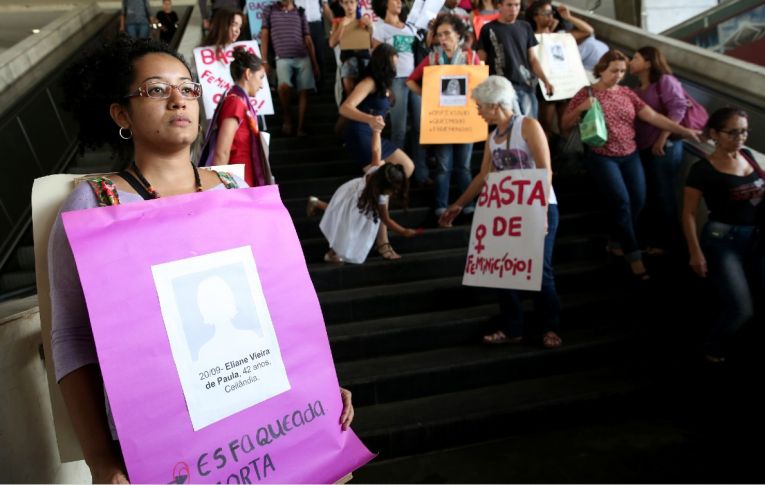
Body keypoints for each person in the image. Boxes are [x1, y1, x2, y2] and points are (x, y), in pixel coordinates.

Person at [51, 35, 354, 483]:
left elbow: (275, 305)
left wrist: (319, 384)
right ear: (121, 114)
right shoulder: (95, 205)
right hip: (165, 445)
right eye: (156, 90)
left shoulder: (236, 194)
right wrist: (100, 459)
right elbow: (72, 337)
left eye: (188, 88)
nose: (178, 100)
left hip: (263, 425)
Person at [439, 75, 562, 349]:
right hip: (508, 212)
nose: (478, 111)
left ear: (495, 105)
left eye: (480, 106)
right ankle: (513, 326)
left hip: (538, 207)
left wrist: (541, 211)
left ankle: (549, 326)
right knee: (503, 270)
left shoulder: (528, 126)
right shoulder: (493, 138)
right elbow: (484, 175)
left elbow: (545, 170)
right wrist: (458, 204)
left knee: (541, 271)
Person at [561, 50, 700, 280]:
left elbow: (653, 117)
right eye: (613, 70)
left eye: (623, 71)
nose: (618, 75)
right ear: (601, 69)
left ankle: (617, 241)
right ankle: (634, 257)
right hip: (602, 156)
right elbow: (564, 125)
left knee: (638, 199)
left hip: (630, 154)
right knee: (622, 202)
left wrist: (684, 131)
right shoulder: (586, 93)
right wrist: (580, 108)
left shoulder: (627, 93)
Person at [682, 108, 764, 363]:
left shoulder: (748, 156)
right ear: (715, 134)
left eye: (744, 131)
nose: (740, 137)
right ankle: (712, 346)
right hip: (723, 241)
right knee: (741, 307)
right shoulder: (702, 169)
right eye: (733, 132)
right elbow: (689, 214)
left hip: (756, 238)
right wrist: (695, 252)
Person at [407, 14, 480, 218]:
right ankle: (441, 205)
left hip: (465, 119)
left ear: (458, 35)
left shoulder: (471, 57)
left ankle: (468, 205)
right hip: (442, 120)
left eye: (447, 33)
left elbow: (481, 84)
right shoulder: (432, 58)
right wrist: (427, 95)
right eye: (439, 35)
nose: (443, 38)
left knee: (463, 166)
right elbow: (411, 81)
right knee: (443, 166)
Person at [310, 130, 419, 263]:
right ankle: (333, 253)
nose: (394, 193)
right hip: (354, 201)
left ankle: (316, 203)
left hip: (352, 196)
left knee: (339, 213)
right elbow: (386, 219)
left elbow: (376, 149)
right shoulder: (381, 198)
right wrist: (403, 231)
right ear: (384, 187)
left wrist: (376, 132)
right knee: (348, 228)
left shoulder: (376, 170)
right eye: (393, 190)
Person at [629, 46, 689, 256]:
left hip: (665, 147)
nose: (631, 62)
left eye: (635, 58)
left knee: (665, 195)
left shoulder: (665, 82)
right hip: (645, 148)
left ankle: (672, 245)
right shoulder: (637, 89)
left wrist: (662, 138)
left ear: (648, 62)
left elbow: (678, 109)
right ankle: (656, 242)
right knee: (653, 195)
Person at [371, 0, 429, 185]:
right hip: (394, 81)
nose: (400, 3)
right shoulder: (380, 28)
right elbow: (377, 60)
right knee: (399, 130)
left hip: (414, 80)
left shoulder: (410, 27)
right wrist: (385, 85)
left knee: (420, 128)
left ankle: (420, 172)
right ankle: (397, 176)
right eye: (395, 0)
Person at [340, 44, 415, 178]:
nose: (394, 69)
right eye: (392, 65)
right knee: (385, 176)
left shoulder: (383, 83)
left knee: (405, 167)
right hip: (361, 133)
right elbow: (345, 108)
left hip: (374, 135)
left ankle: (383, 198)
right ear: (383, 64)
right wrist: (370, 118)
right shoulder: (369, 82)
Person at [526, 1, 594, 138]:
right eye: (546, 14)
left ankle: (566, 154)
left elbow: (588, 31)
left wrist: (568, 17)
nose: (550, 17)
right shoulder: (530, 37)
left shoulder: (561, 36)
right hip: (545, 85)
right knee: (546, 124)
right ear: (535, 17)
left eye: (552, 13)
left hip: (565, 83)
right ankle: (547, 155)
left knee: (566, 123)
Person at [205, 47, 272, 187]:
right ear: (248, 74)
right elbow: (221, 152)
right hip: (236, 184)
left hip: (243, 181)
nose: (261, 85)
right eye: (261, 77)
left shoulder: (240, 102)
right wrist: (223, 189)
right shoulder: (235, 102)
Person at [475, 0, 554, 118]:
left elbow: (532, 59)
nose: (513, 9)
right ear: (499, 6)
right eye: (509, 5)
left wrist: (545, 80)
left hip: (526, 85)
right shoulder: (488, 29)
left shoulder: (525, 26)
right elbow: (482, 62)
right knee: (508, 127)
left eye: (517, 5)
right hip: (501, 89)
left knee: (529, 125)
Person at [261, 0, 320, 136]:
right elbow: (264, 35)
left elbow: (308, 39)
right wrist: (264, 60)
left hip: (302, 56)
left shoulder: (300, 12)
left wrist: (315, 63)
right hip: (282, 57)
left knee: (304, 91)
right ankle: (287, 118)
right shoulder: (269, 10)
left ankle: (300, 127)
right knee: (283, 86)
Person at [329, 0, 373, 98]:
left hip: (364, 58)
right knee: (350, 93)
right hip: (348, 58)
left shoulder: (363, 21)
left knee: (367, 92)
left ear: (357, 3)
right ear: (341, 4)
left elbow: (372, 44)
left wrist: (370, 27)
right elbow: (332, 43)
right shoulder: (338, 22)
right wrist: (342, 26)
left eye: (352, 2)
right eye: (346, 2)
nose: (349, 6)